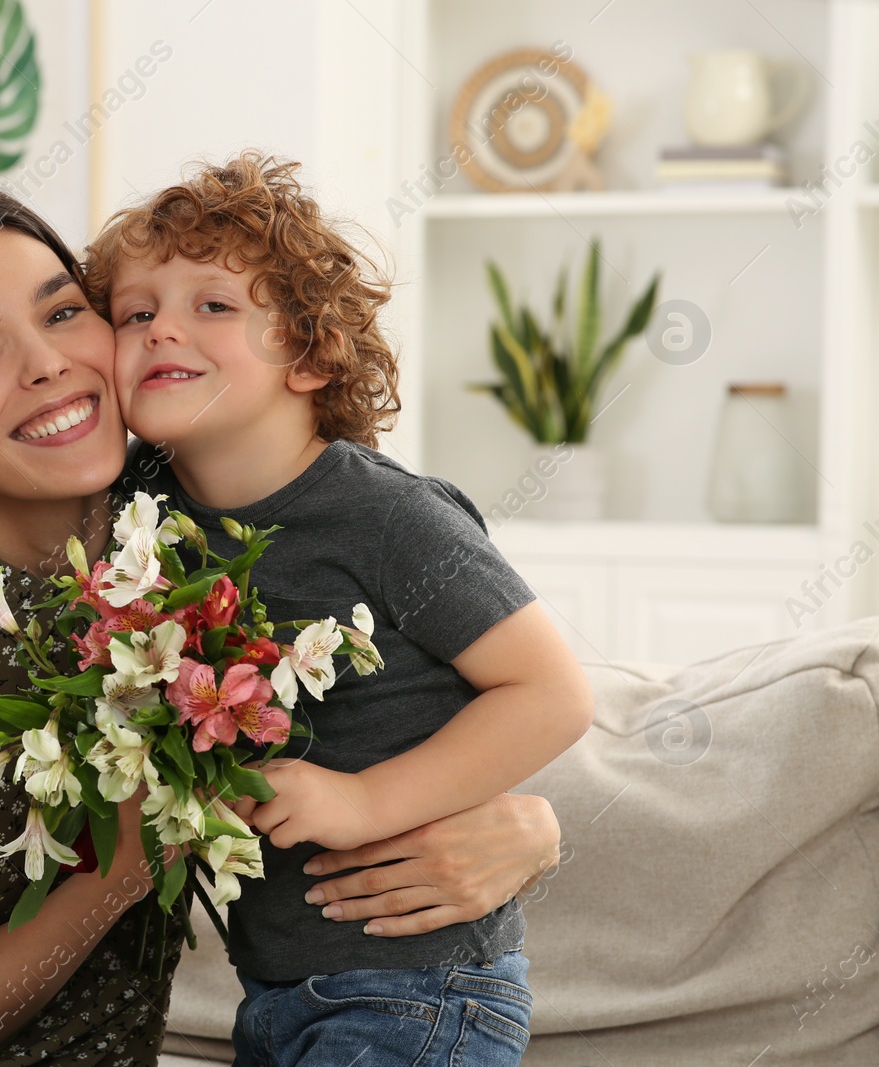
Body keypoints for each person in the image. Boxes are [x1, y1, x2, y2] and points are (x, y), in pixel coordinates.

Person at [0, 180, 568, 1066]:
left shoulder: (194, 517)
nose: (45, 364)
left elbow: (464, 679)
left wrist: (527, 825)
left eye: (61, 312)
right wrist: (117, 871)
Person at [88, 151, 596, 1066]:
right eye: (135, 313)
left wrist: (366, 799)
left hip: (421, 986)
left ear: (313, 355)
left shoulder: (387, 518)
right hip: (277, 993)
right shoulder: (136, 514)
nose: (163, 330)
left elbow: (552, 691)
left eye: (214, 305)